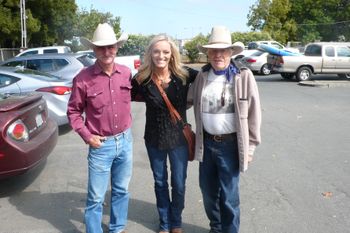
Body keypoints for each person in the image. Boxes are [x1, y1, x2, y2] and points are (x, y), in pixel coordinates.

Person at [187, 26, 262, 233]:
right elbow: (187, 100)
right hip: (207, 143)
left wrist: (251, 148)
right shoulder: (202, 76)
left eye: (223, 50)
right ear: (208, 54)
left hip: (230, 145)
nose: (218, 55)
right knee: (209, 193)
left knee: (229, 197)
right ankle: (216, 227)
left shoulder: (243, 76)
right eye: (214, 51)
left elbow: (254, 112)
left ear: (231, 52)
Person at [67, 23, 132, 233]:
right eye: (101, 48)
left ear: (117, 47)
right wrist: (87, 136)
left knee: (121, 190)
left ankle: (117, 228)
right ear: (94, 50)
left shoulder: (126, 73)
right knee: (96, 197)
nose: (107, 52)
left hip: (125, 141)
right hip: (100, 146)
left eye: (110, 46)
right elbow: (73, 112)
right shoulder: (83, 78)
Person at [131, 34, 198, 233]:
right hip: (154, 139)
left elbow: (210, 73)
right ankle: (164, 222)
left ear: (172, 54)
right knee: (160, 182)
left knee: (178, 183)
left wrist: (239, 68)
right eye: (157, 51)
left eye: (166, 52)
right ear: (150, 54)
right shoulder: (141, 79)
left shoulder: (184, 75)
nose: (161, 55)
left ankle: (175, 221)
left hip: (179, 140)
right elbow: (119, 92)